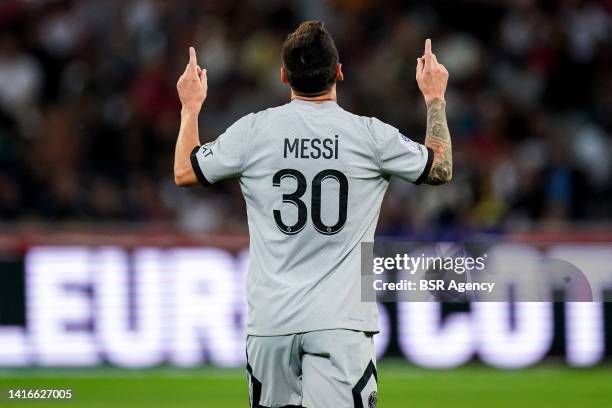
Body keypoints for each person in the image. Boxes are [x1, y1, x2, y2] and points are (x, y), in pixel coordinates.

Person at [174, 20, 451, 408]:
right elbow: (439, 167)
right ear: (339, 72)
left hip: (271, 323)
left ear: (284, 75)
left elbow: (185, 171)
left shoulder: (254, 131)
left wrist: (190, 107)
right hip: (341, 323)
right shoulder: (369, 135)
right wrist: (434, 96)